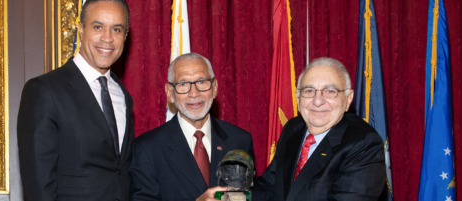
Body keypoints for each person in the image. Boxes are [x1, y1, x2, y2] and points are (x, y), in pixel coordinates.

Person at [17, 0, 133, 200]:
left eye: (116, 29)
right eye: (98, 27)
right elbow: (38, 185)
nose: (107, 38)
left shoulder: (123, 95)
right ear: (81, 29)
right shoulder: (44, 90)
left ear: (125, 35)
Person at [253, 57, 386, 201]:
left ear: (348, 99)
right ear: (298, 98)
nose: (317, 101)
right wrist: (231, 195)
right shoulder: (293, 128)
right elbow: (270, 185)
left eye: (330, 91)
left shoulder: (363, 144)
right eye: (309, 90)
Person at [129, 53, 255, 201]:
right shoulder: (147, 149)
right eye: (183, 84)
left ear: (214, 88)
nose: (194, 93)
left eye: (201, 82)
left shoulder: (239, 140)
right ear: (170, 93)